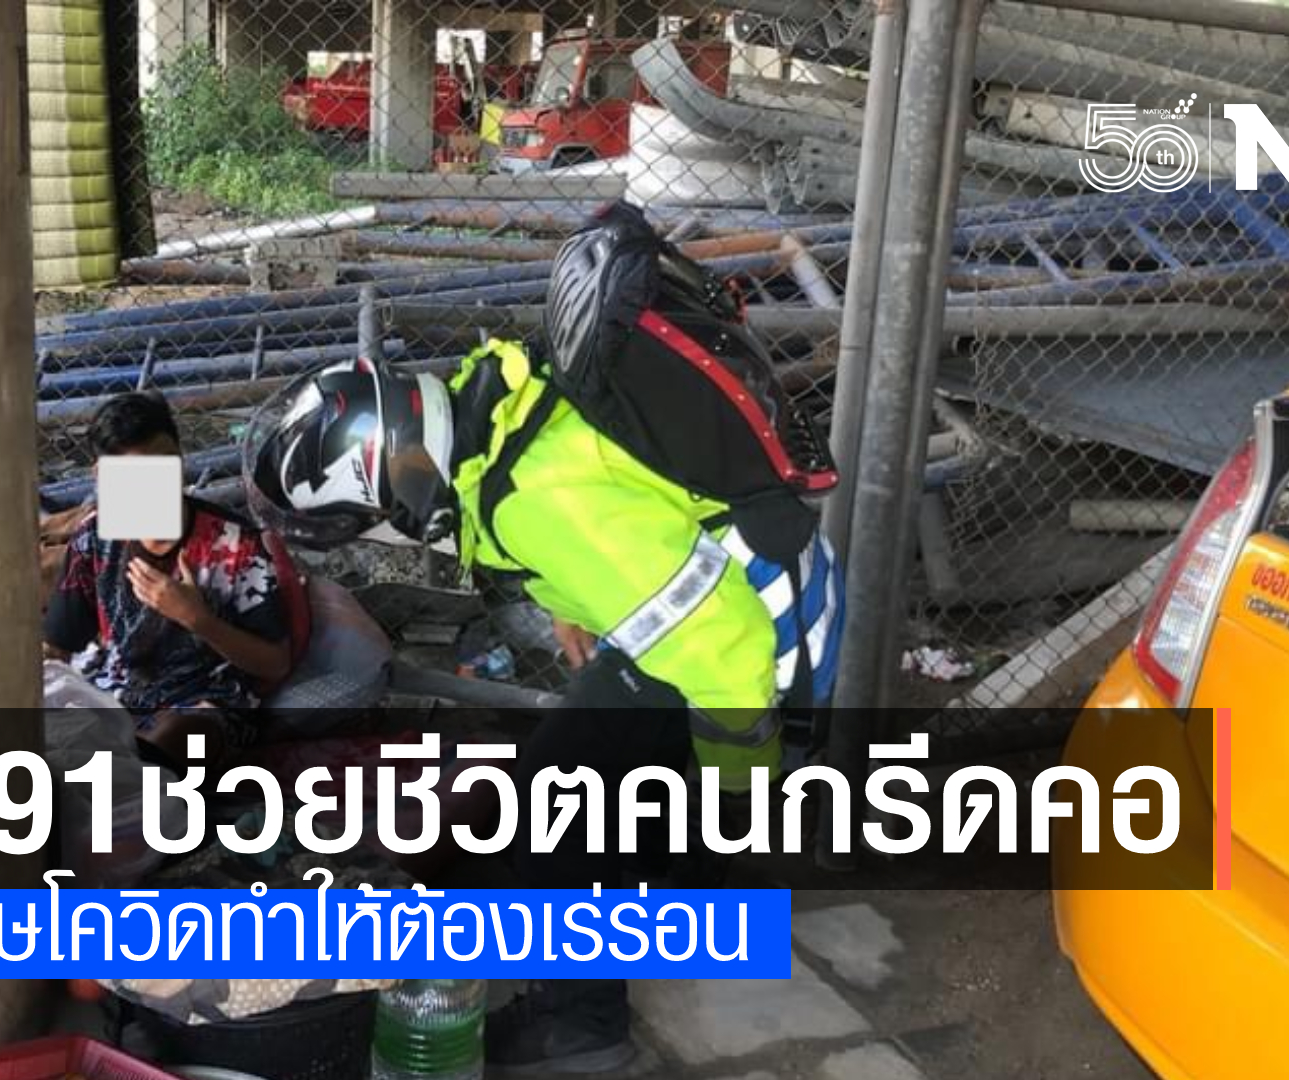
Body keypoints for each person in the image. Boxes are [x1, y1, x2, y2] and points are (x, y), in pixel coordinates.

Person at [241, 219, 843, 1075]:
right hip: (720, 605)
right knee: (578, 769)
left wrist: (740, 795)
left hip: (763, 633)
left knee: (559, 811)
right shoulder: (489, 418)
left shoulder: (533, 500)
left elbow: (724, 647)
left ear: (391, 492)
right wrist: (573, 607)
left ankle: (582, 1024)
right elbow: (596, 523)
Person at [45, 391, 293, 772]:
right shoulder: (94, 538)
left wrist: (199, 620)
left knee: (184, 735)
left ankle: (125, 777)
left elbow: (275, 664)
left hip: (201, 706)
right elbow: (58, 648)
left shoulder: (236, 545)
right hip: (106, 699)